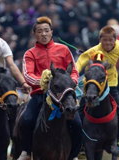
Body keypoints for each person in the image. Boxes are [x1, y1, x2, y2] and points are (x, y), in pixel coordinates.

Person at [18, 16, 82, 160]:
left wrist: (70, 84)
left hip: (64, 95)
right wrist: (44, 82)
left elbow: (74, 71)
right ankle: (26, 152)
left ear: (51, 32)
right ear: (34, 34)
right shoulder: (30, 53)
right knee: (27, 121)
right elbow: (28, 75)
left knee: (77, 124)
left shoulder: (64, 49)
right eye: (40, 31)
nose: (44, 34)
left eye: (47, 31)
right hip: (40, 95)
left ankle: (74, 155)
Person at [76, 26, 119, 158]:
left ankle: (117, 142)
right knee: (79, 113)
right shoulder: (94, 51)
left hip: (111, 87)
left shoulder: (118, 49)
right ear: (100, 40)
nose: (108, 43)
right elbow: (81, 60)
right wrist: (74, 74)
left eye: (111, 40)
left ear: (115, 40)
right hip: (94, 88)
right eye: (104, 40)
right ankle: (80, 143)